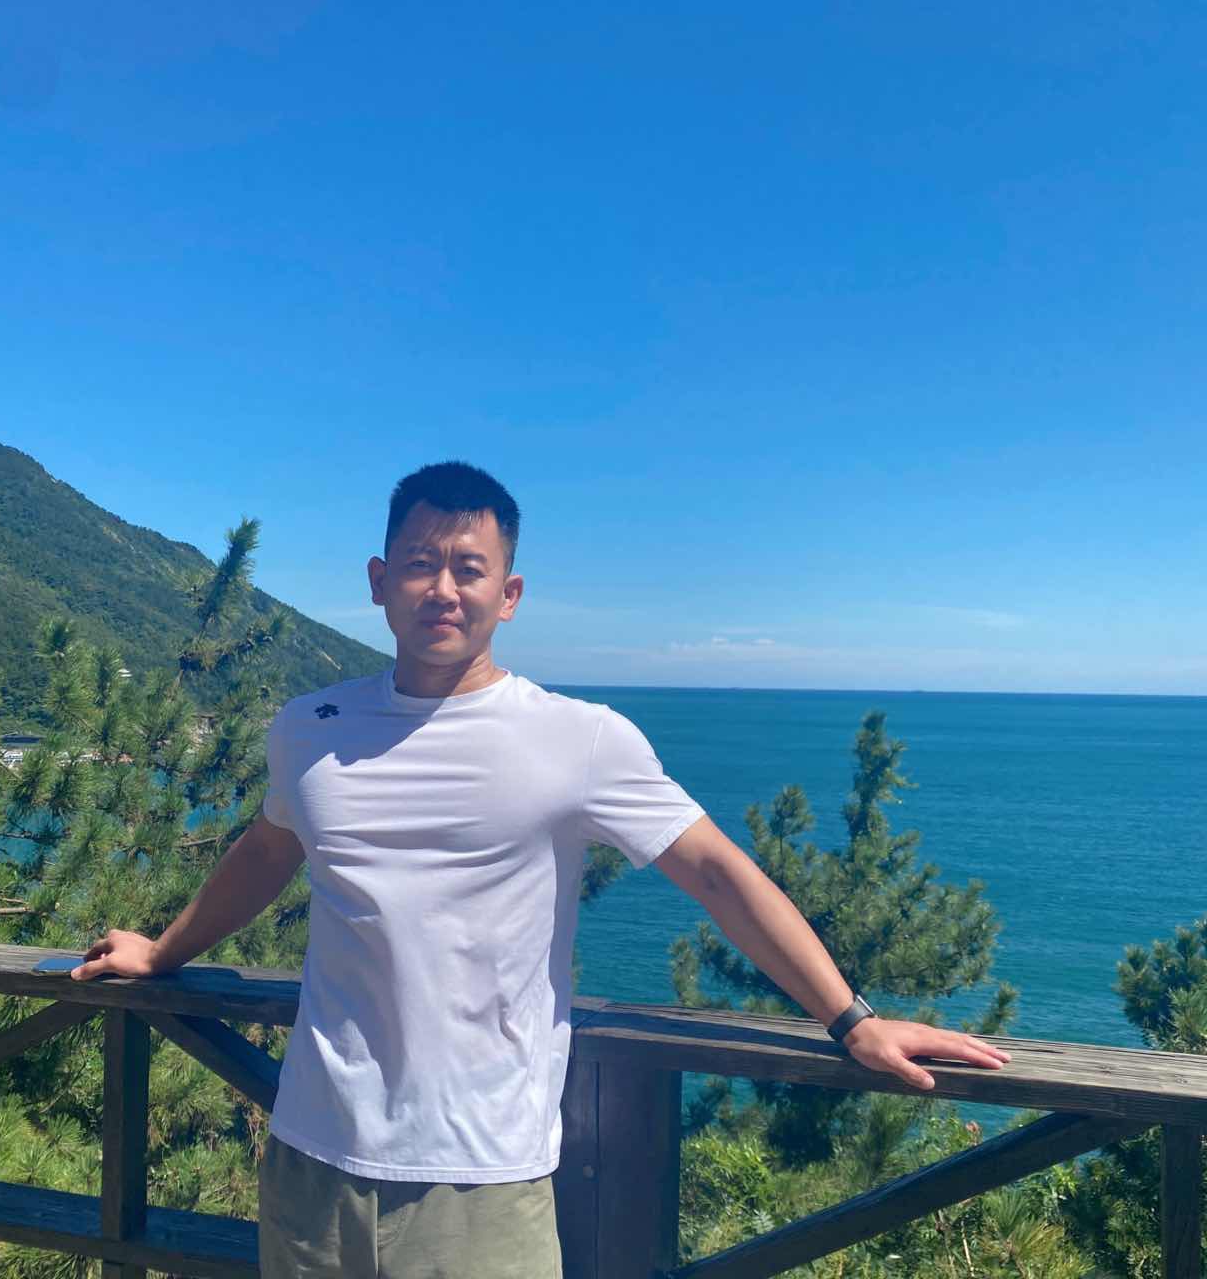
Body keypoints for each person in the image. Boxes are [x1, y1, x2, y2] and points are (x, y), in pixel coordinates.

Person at [72, 460, 1011, 1277]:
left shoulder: (579, 740)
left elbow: (718, 874)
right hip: (310, 1152)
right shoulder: (309, 728)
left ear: (509, 593)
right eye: (419, 563)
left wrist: (852, 1020)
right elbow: (268, 851)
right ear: (379, 581)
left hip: (480, 1171)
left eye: (469, 568)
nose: (443, 588)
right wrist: (162, 953)